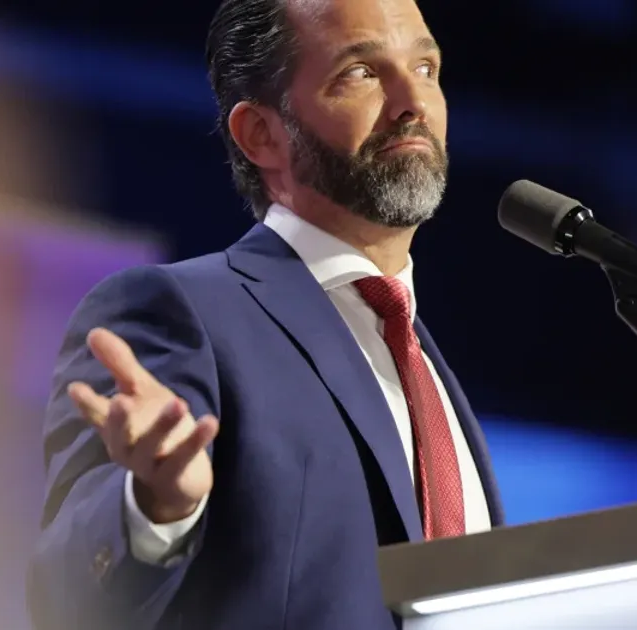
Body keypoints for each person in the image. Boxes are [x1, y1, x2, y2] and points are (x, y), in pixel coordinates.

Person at [27, 0, 504, 627]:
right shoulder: (180, 313)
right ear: (261, 133)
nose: (412, 101)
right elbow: (66, 601)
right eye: (361, 72)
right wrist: (154, 509)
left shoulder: (423, 363)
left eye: (425, 68)